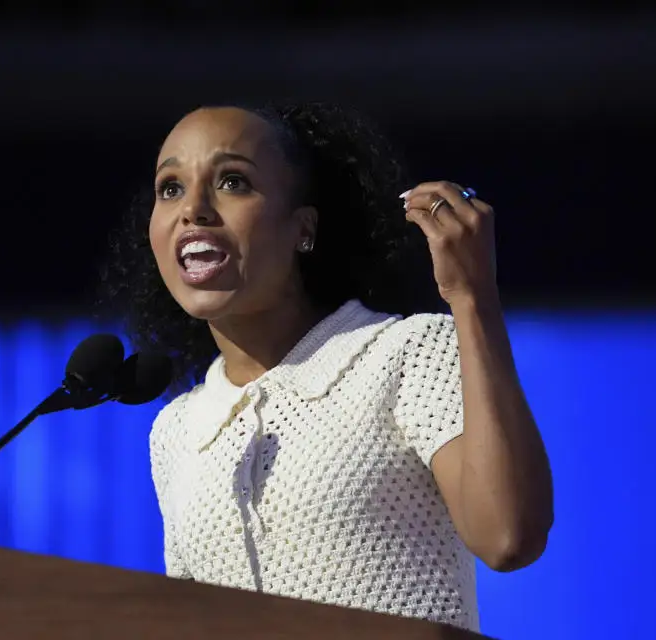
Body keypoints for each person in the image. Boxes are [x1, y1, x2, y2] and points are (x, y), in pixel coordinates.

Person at [101, 102, 553, 632]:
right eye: (170, 188)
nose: (193, 209)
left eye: (232, 182)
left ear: (303, 229)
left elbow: (507, 537)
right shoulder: (176, 431)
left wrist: (473, 299)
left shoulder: (405, 353)